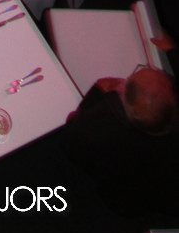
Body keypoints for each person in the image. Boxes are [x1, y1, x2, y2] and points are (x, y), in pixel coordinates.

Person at [61, 64, 179, 215]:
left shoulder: (98, 126)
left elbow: (69, 141)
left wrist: (96, 92)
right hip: (158, 197)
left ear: (121, 91)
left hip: (121, 202)